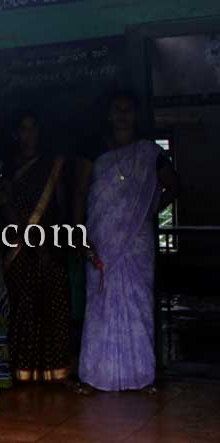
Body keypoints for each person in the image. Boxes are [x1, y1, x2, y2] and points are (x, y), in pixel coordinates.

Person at [76, 91, 178, 393]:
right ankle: (95, 376)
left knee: (138, 305)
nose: (122, 115)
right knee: (100, 304)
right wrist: (79, 234)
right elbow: (79, 194)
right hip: (100, 239)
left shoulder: (149, 153)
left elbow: (174, 186)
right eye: (117, 110)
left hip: (136, 242)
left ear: (135, 115)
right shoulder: (94, 151)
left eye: (128, 110)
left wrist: (146, 211)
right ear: (109, 115)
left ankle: (142, 376)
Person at [0, 112, 70, 383]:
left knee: (52, 305)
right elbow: (3, 204)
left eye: (32, 128)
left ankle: (53, 369)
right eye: (23, 129)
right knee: (23, 306)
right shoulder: (7, 167)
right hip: (17, 246)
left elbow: (60, 206)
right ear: (16, 133)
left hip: (48, 242)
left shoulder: (53, 166)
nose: (28, 134)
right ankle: (22, 369)